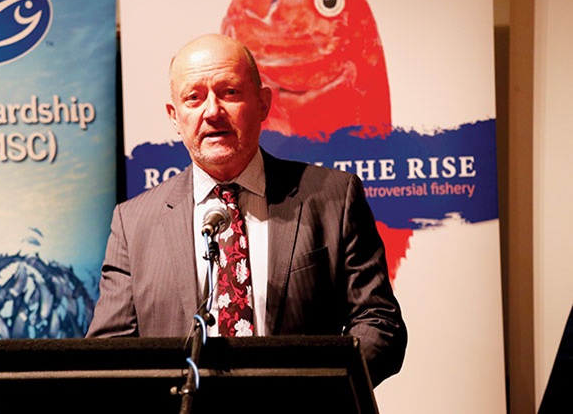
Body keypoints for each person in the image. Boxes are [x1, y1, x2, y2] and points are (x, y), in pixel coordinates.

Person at [86, 33, 407, 386]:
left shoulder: (333, 197)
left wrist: (318, 395)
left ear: (263, 103)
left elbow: (379, 323)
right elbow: (109, 355)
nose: (212, 111)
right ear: (174, 116)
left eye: (230, 92)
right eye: (193, 98)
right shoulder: (133, 223)